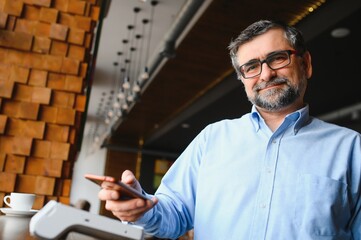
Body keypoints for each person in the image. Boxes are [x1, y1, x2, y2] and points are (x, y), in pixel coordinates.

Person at [98, 19, 361, 239]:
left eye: (278, 58)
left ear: (305, 64)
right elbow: (173, 215)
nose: (266, 74)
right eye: (251, 67)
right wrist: (140, 210)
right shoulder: (212, 139)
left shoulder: (351, 149)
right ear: (243, 79)